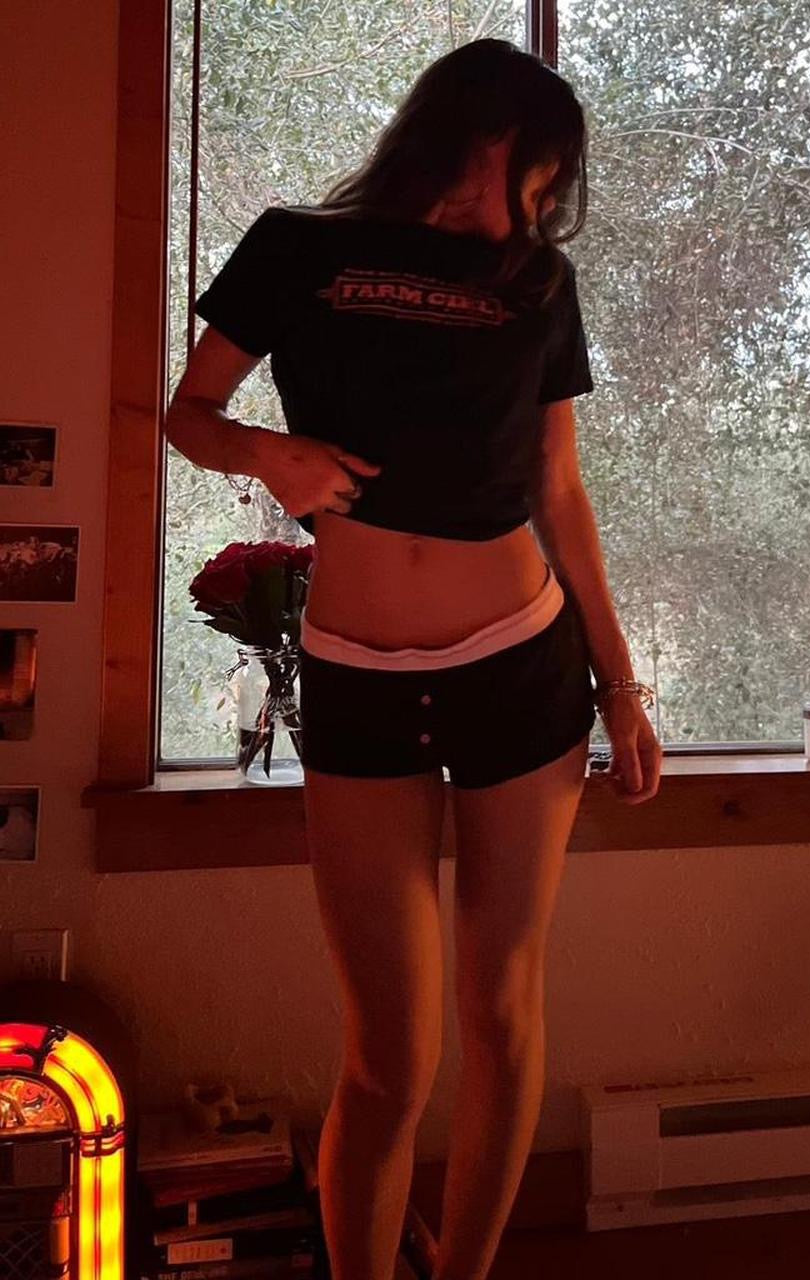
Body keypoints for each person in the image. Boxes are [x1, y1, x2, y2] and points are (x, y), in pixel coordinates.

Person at [166, 39, 661, 1280]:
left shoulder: (536, 283)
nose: (522, 204)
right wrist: (268, 455)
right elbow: (187, 414)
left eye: (543, 187)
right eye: (514, 169)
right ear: (456, 137)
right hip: (355, 673)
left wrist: (620, 686)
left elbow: (558, 488)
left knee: (500, 1012)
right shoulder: (297, 247)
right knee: (389, 1057)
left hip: (520, 664)